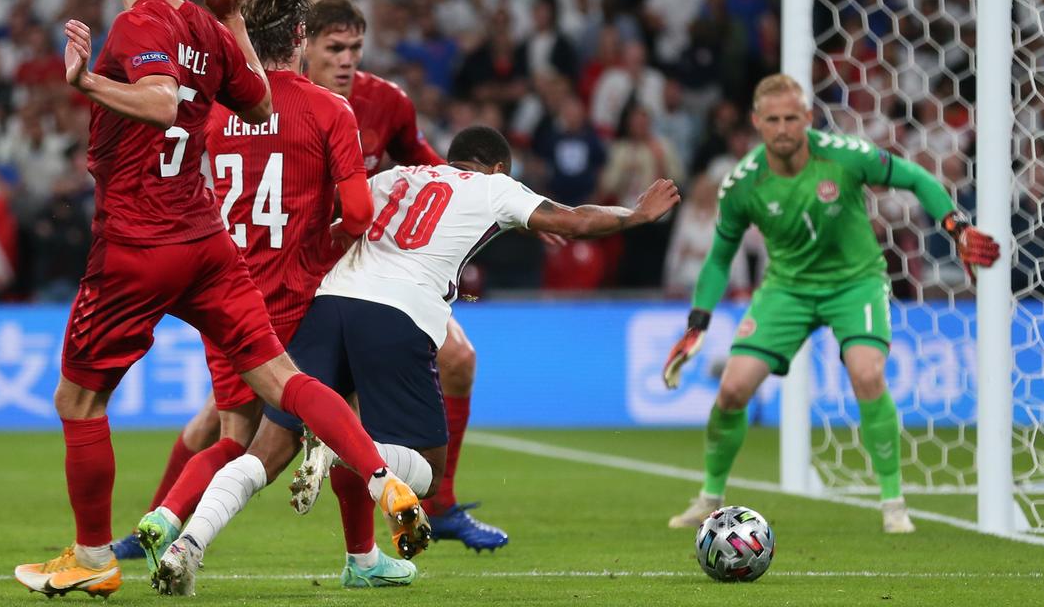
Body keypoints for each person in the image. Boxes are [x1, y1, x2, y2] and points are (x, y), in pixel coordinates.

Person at [12, 0, 425, 599]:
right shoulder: (206, 27)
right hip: (206, 244)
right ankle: (384, 481)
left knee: (79, 401)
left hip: (138, 242)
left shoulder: (141, 23)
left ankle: (93, 557)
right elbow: (261, 104)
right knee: (283, 381)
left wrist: (85, 82)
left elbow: (160, 102)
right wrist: (231, 18)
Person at [154, 126, 681, 595]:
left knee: (264, 452)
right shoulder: (495, 188)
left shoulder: (395, 177)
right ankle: (340, 451)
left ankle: (187, 546)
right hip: (399, 316)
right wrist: (636, 215)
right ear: (498, 167)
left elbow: (336, 220)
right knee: (428, 471)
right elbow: (575, 222)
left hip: (329, 305)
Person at [130, 0, 513, 555]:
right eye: (336, 48)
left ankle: (165, 521)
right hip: (310, 282)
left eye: (356, 48)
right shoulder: (322, 108)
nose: (348, 60)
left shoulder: (373, 102)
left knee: (239, 432)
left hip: (253, 284)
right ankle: (363, 552)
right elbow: (358, 212)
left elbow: (434, 170)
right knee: (309, 421)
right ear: (303, 44)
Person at [661, 74, 1000, 533]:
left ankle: (893, 503)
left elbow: (916, 177)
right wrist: (697, 323)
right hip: (787, 289)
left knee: (867, 374)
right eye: (773, 120)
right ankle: (709, 497)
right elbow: (720, 258)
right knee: (733, 389)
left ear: (808, 118)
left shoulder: (845, 156)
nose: (783, 129)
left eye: (791, 118)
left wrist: (956, 227)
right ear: (757, 122)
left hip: (855, 283)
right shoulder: (742, 184)